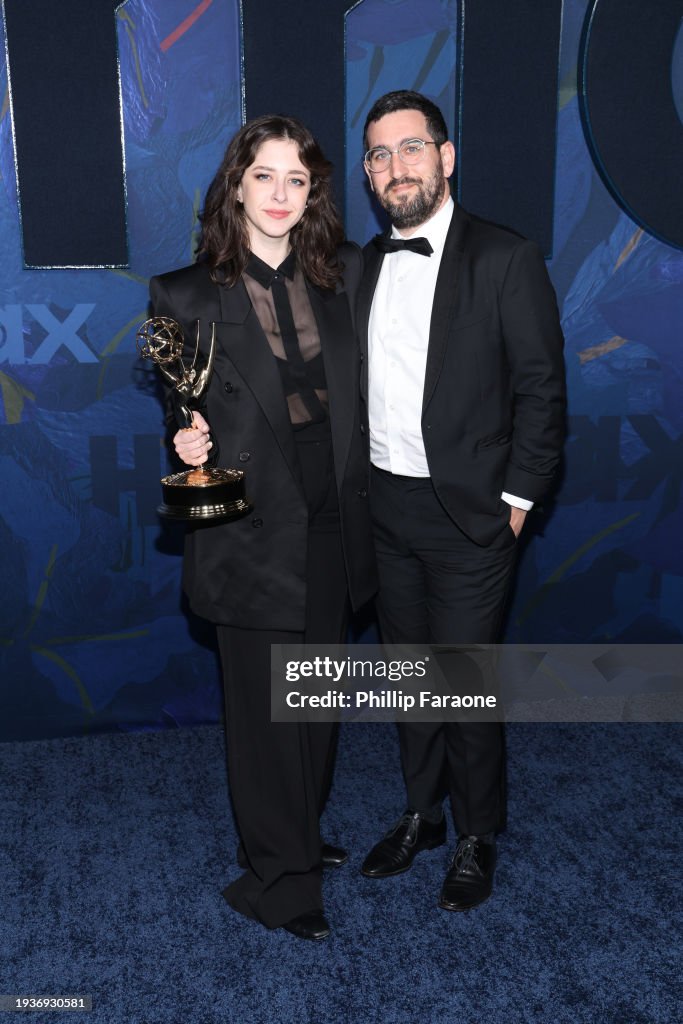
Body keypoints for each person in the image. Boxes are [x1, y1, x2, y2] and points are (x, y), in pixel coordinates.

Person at [149, 115, 376, 941]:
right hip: (248, 527)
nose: (279, 195)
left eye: (296, 179)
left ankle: (300, 834)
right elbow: (184, 412)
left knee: (314, 697)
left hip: (336, 517)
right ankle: (277, 878)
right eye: (263, 176)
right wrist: (186, 435)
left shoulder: (345, 273)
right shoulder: (180, 294)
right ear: (234, 184)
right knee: (264, 712)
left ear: (312, 191)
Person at [357, 91, 566, 910]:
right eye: (379, 155)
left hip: (472, 517)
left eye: (410, 149)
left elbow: (541, 391)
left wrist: (515, 501)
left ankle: (478, 831)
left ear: (445, 159)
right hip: (383, 508)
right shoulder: (359, 264)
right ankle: (423, 813)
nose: (394, 167)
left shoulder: (503, 257)